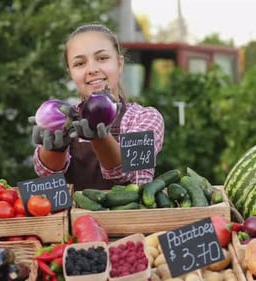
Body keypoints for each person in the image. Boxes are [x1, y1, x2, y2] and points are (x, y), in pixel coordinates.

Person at [31, 23, 164, 190]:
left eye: (102, 58)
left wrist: (100, 138)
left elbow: (133, 173)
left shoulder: (144, 117)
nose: (92, 69)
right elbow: (47, 177)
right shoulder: (63, 119)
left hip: (128, 215)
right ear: (70, 73)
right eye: (79, 63)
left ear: (120, 64)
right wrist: (54, 149)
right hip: (76, 215)